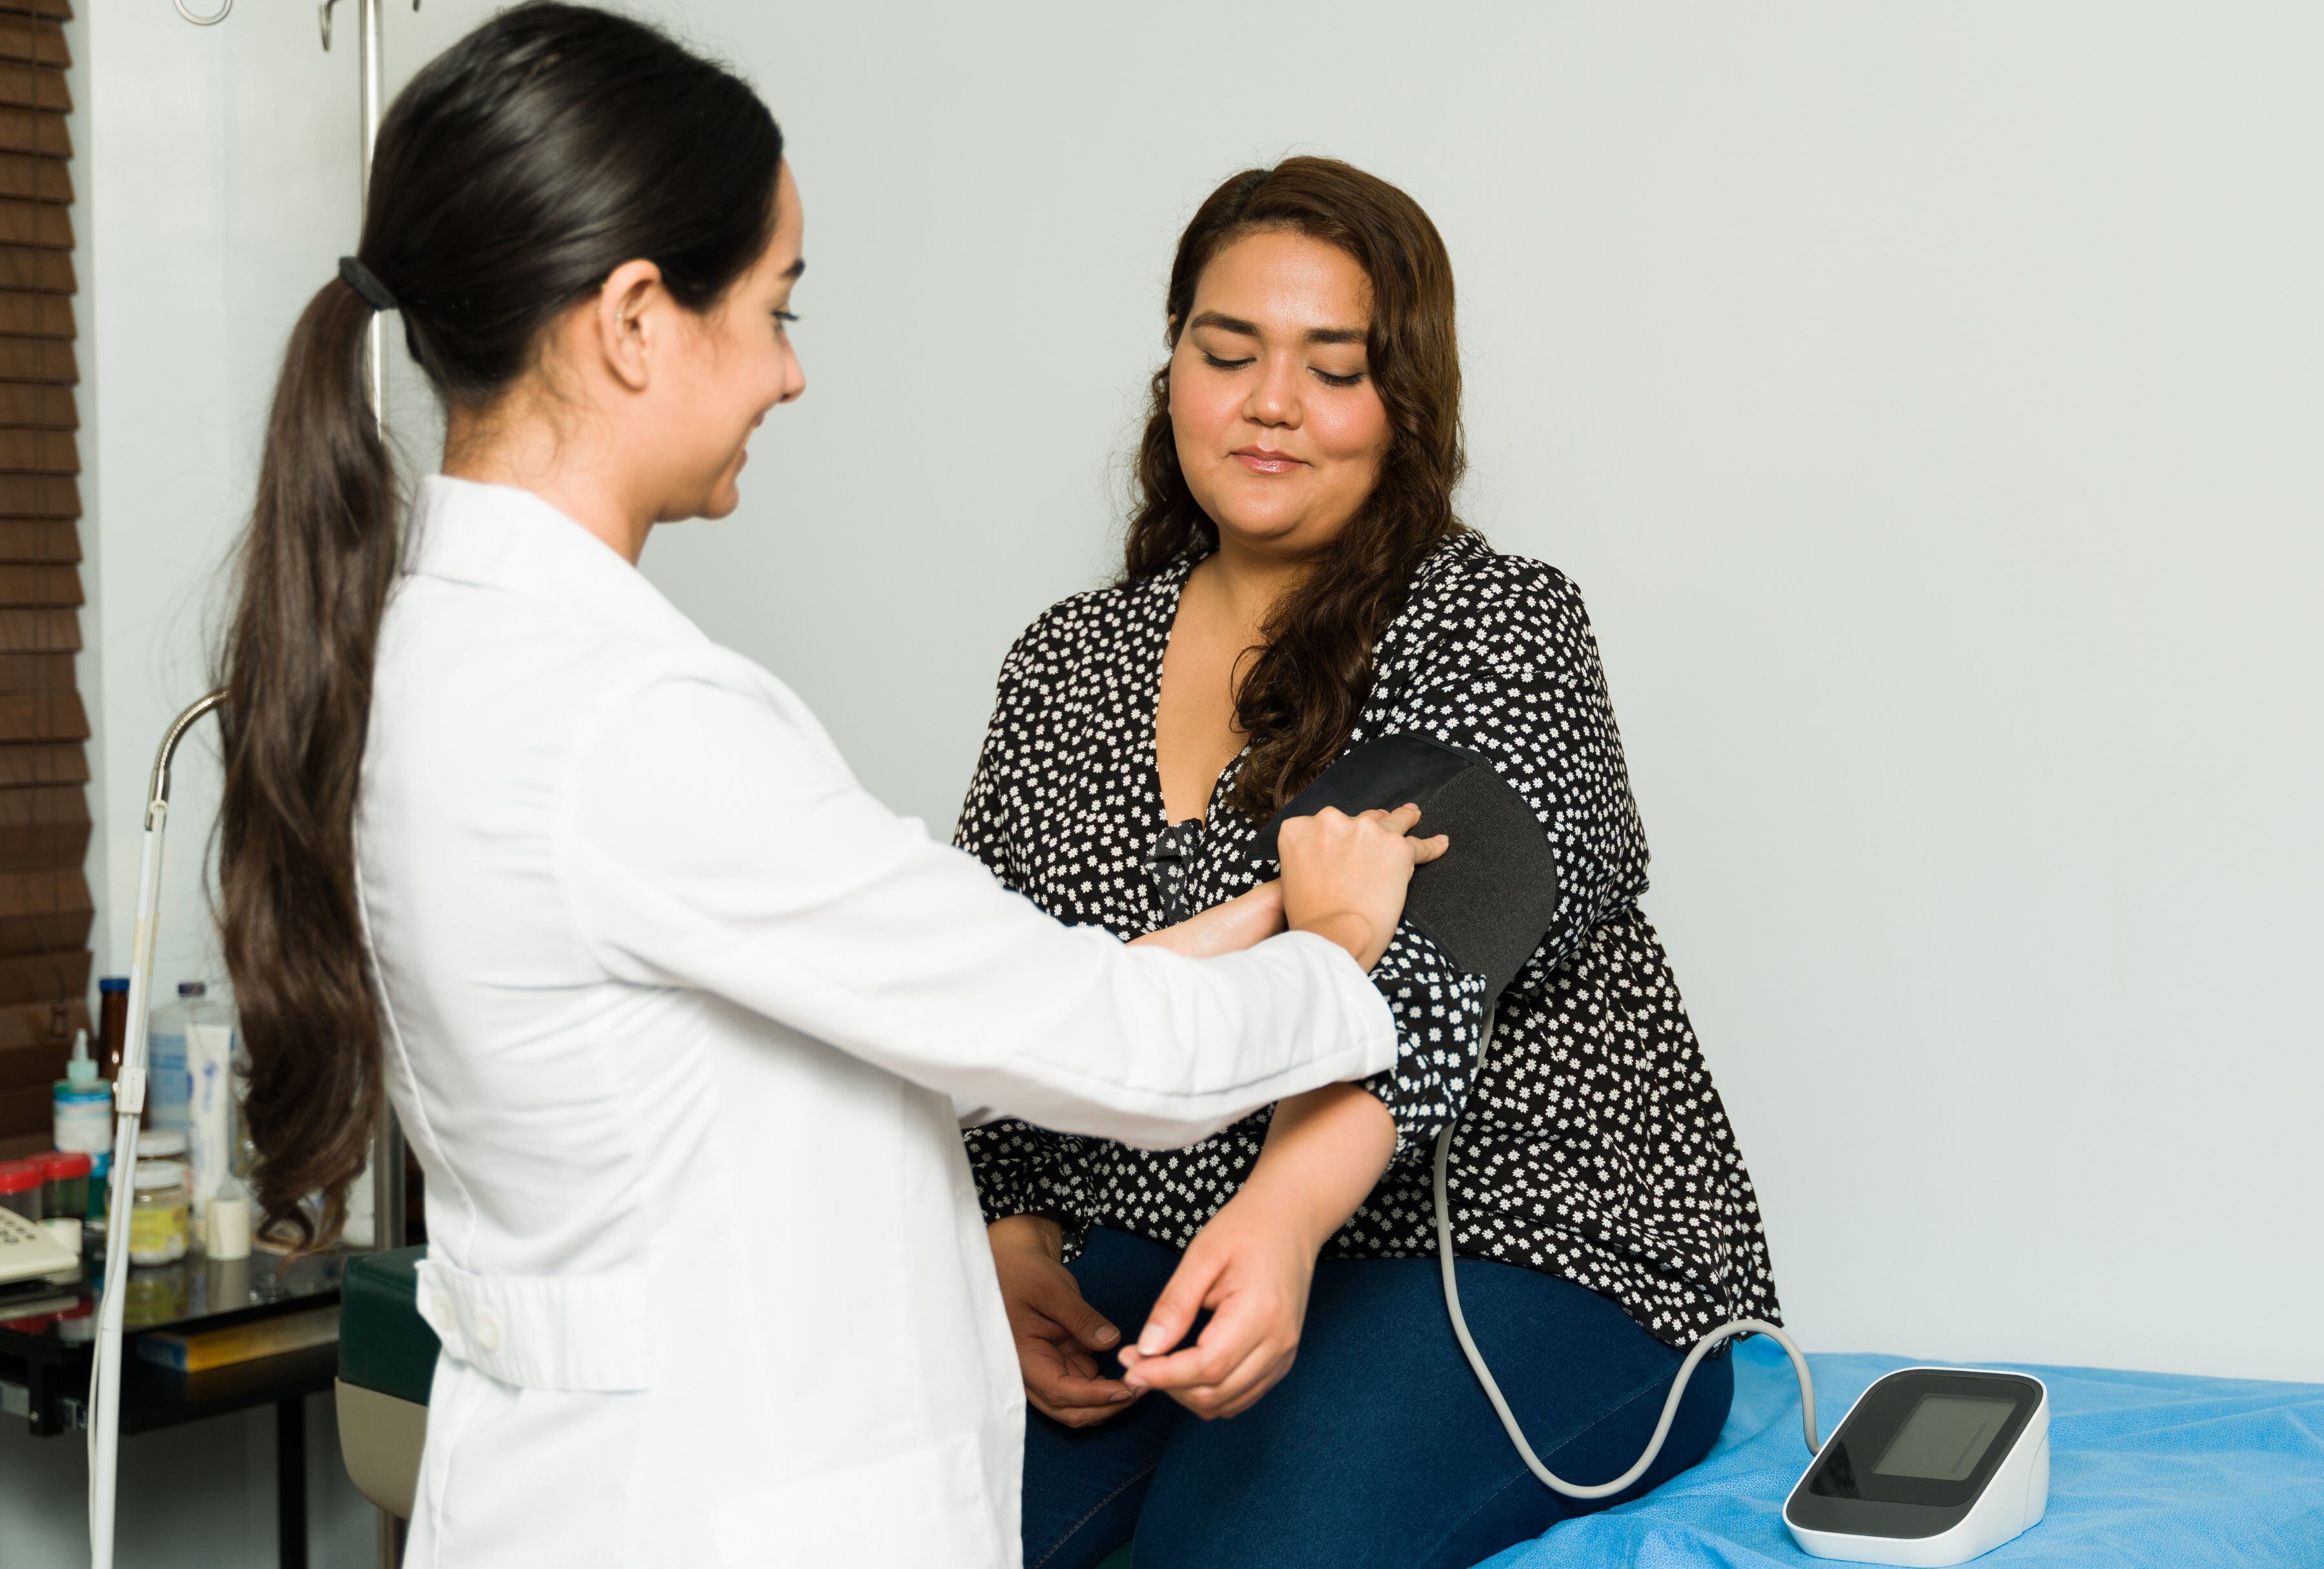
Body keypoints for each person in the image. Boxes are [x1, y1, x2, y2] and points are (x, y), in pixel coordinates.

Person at [210, 11, 1444, 1567]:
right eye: (778, 307)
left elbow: (876, 1019)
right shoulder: (633, 718)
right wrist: (1331, 957)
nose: (792, 375)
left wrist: (1241, 918)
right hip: (727, 1502)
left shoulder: (426, 655)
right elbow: (1103, 1047)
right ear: (639, 320)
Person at [957, 157, 1785, 1569]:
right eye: (1228, 354)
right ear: (1175, 378)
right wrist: (1014, 1241)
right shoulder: (1067, 661)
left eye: (1332, 369)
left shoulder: (1502, 623)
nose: (1270, 402)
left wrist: (1284, 1213)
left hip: (1527, 1241)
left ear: (1404, 407)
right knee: (924, 1526)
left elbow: (1441, 932)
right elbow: (1009, 981)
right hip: (1177, 1233)